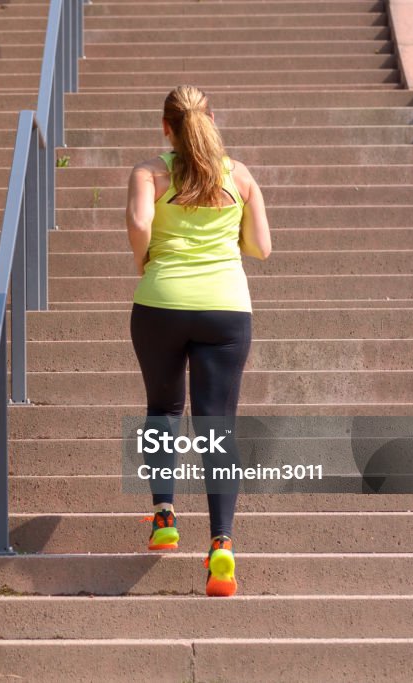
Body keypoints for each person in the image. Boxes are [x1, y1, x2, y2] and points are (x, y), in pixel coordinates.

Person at [125, 85, 271, 597]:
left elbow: (141, 221)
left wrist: (147, 263)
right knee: (217, 424)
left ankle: (164, 515)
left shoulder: (149, 172)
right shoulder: (240, 175)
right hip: (226, 309)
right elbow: (262, 247)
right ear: (211, 119)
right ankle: (222, 547)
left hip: (161, 302)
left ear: (166, 126)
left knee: (163, 407)